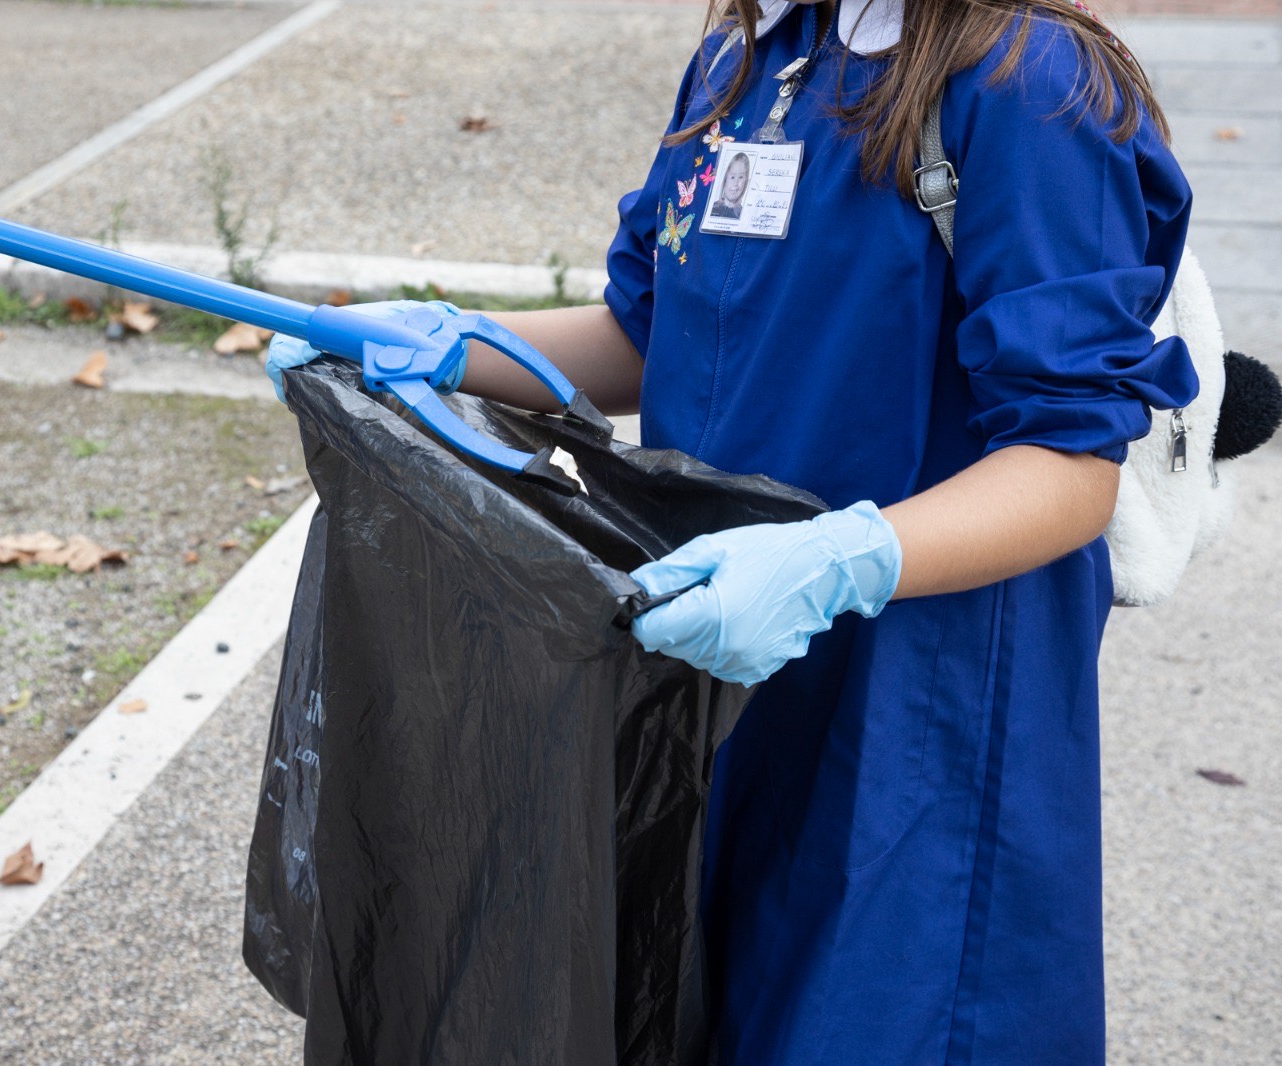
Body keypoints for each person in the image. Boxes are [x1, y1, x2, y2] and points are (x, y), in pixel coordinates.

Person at [269, 0, 1195, 1060]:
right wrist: (437, 345)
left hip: (911, 719)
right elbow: (641, 332)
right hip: (718, 677)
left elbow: (1069, 466)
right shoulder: (748, 59)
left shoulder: (1030, 85)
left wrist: (839, 560)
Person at [709, 151, 750, 219]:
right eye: (732, 177)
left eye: (741, 177)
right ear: (725, 179)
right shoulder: (712, 209)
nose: (735, 183)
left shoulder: (744, 215)